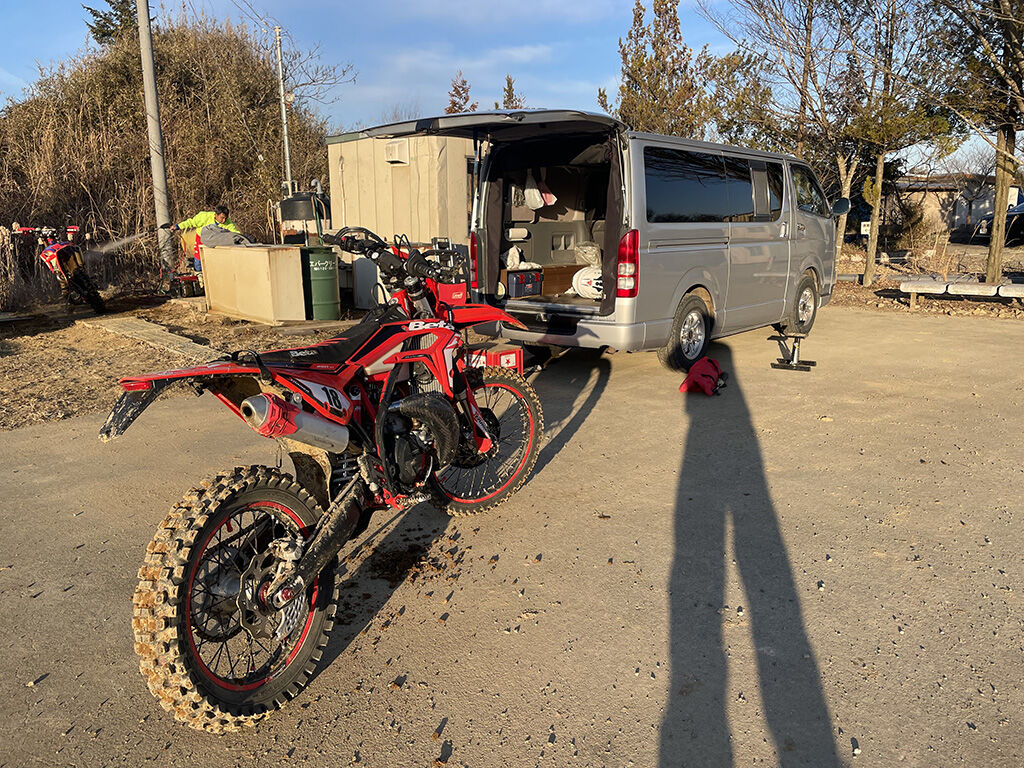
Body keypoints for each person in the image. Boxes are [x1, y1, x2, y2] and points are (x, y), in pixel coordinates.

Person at [171, 205, 250, 268]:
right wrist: (177, 226)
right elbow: (190, 222)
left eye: (225, 218)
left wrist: (243, 240)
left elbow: (235, 233)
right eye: (222, 218)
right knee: (198, 259)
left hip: (216, 241)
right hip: (201, 239)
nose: (223, 221)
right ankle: (199, 275)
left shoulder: (228, 223)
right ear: (216, 215)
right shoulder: (204, 217)